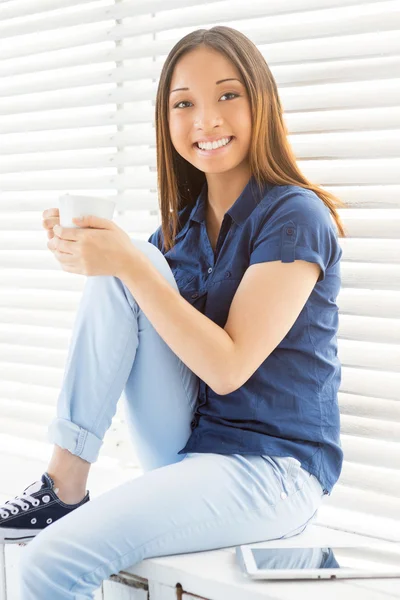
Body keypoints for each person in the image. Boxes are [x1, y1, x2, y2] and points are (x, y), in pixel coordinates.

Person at [0, 26, 347, 599]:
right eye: (184, 104)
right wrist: (89, 252)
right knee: (127, 261)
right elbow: (139, 316)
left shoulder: (294, 215)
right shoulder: (178, 233)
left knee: (45, 566)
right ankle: (65, 482)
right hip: (188, 448)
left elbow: (229, 368)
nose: (206, 120)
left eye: (228, 96)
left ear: (261, 101)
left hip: (271, 470)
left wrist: (130, 263)